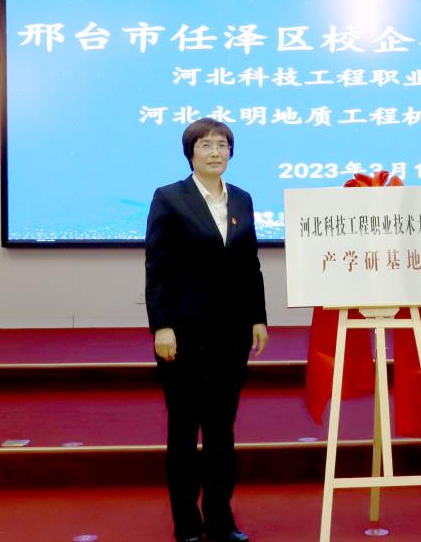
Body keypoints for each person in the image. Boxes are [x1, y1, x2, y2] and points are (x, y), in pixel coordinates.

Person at [145, 118, 268, 542]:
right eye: (206, 145)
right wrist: (161, 325)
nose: (215, 152)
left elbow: (250, 264)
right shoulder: (169, 198)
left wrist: (257, 317)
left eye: (222, 145)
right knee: (183, 430)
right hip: (182, 334)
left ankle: (220, 518)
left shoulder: (242, 199)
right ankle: (186, 523)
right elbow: (157, 267)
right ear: (190, 153)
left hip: (231, 335)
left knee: (221, 431)